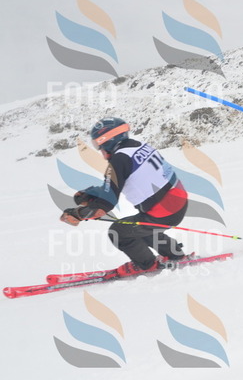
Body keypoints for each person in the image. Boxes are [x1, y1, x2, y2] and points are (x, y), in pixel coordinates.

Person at [60, 117, 190, 276]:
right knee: (139, 228)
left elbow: (105, 205)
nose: (101, 151)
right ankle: (174, 254)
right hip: (177, 203)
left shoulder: (118, 160)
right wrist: (93, 193)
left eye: (99, 145)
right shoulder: (139, 146)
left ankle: (147, 264)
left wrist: (78, 214)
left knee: (119, 232)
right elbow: (114, 186)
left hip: (164, 212)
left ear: (108, 141)